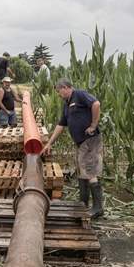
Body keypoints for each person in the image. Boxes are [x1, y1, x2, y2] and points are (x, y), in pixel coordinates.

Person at [41, 79, 103, 218]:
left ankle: (98, 208)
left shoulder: (79, 94)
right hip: (81, 142)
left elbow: (96, 104)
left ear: (65, 87)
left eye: (59, 91)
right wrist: (49, 143)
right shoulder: (67, 104)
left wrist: (93, 125)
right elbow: (61, 125)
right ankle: (83, 203)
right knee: (82, 171)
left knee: (89, 170)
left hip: (90, 140)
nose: (58, 94)